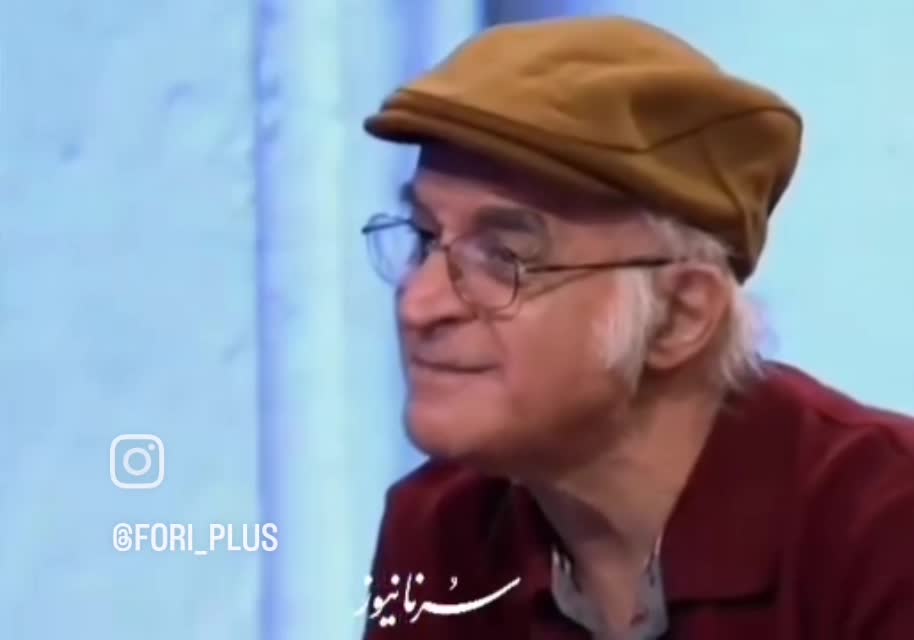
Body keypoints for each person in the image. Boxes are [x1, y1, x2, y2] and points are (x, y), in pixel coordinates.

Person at [357, 16, 914, 640]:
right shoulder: (438, 529)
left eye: (505, 257)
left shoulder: (887, 529)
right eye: (425, 238)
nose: (419, 305)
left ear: (681, 315)